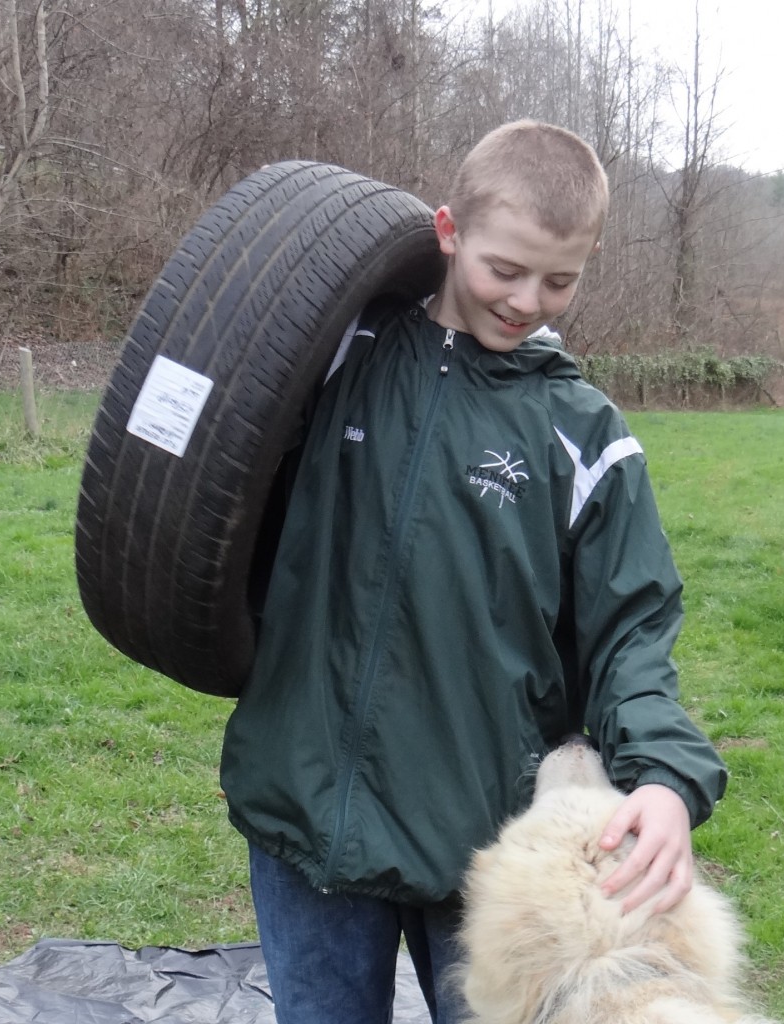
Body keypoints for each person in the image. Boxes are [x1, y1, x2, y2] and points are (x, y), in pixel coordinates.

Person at [220, 120, 728, 1024]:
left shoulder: (585, 437)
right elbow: (208, 500)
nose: (527, 299)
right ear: (447, 230)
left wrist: (662, 775)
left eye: (559, 279)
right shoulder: (337, 358)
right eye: (505, 268)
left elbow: (632, 631)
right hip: (307, 812)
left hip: (484, 848)